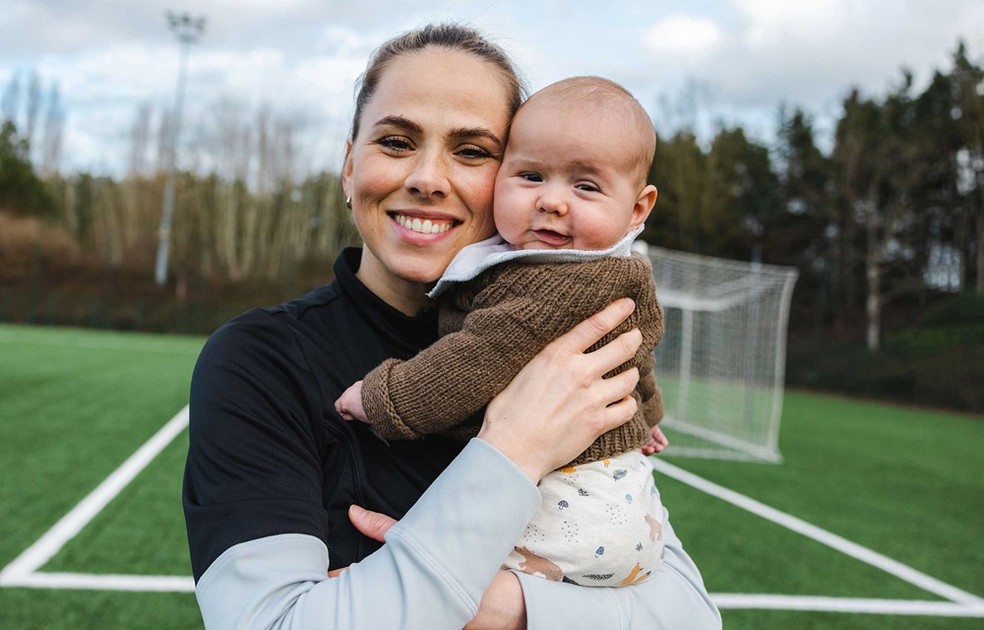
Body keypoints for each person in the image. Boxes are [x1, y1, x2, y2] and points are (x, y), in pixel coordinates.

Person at [183, 23, 720, 629]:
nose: (428, 178)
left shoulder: (569, 342)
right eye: (394, 141)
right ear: (348, 167)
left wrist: (511, 610)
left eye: (471, 152)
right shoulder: (260, 359)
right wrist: (515, 448)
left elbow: (691, 617)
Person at [335, 76, 671, 587]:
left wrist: (382, 398)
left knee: (427, 576)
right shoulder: (595, 271)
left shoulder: (562, 281)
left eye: (585, 186)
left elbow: (475, 358)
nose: (552, 202)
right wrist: (648, 414)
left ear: (638, 209)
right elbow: (637, 354)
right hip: (626, 511)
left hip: (582, 504)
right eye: (531, 176)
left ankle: (432, 573)